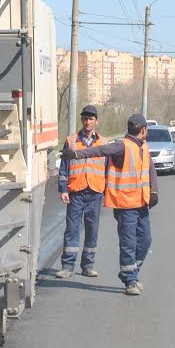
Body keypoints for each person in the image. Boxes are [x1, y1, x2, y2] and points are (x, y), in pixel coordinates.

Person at [61, 112, 159, 296]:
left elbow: (150, 169)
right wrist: (75, 154)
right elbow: (98, 151)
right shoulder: (122, 146)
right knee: (129, 243)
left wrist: (154, 191)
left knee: (146, 241)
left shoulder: (143, 146)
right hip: (125, 205)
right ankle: (130, 280)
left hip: (142, 204)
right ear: (143, 130)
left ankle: (131, 273)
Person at [56, 105, 107, 279]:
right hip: (76, 191)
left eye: (91, 119)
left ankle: (88, 265)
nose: (88, 122)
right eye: (85, 118)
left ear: (96, 121)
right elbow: (64, 167)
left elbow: (108, 168)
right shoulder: (71, 141)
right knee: (72, 229)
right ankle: (67, 266)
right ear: (81, 120)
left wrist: (107, 190)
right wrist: (63, 189)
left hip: (95, 192)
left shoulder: (103, 142)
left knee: (92, 229)